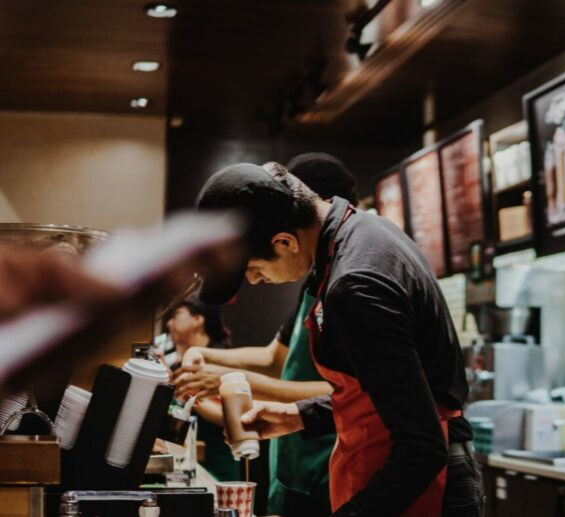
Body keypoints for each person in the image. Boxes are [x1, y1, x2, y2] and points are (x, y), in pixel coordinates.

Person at [194, 161, 484, 516]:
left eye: (253, 269)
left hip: (424, 489)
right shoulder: (364, 231)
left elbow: (421, 448)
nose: (254, 280)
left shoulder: (356, 284)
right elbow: (392, 395)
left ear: (284, 242)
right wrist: (299, 415)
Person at [174, 154, 358, 516]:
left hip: (329, 461)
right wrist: (207, 357)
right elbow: (277, 358)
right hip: (292, 463)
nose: (255, 280)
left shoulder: (353, 282)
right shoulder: (315, 281)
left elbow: (356, 394)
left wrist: (230, 378)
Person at [158, 296, 240, 481]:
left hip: (218, 464)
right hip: (185, 464)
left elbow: (230, 417)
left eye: (176, 315)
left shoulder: (220, 360)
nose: (169, 323)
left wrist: (185, 393)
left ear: (198, 319)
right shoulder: (177, 363)